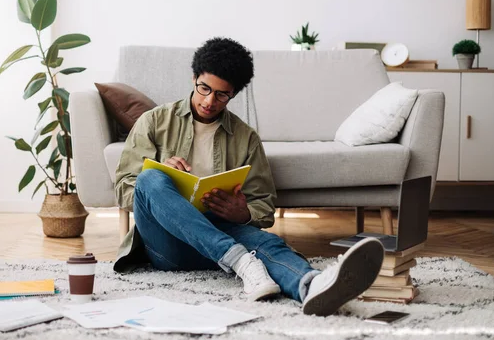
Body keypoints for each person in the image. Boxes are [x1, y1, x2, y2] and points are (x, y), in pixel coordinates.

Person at [113, 37, 384, 316]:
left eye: (221, 94)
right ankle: (240, 259)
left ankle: (312, 286)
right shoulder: (155, 121)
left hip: (219, 239)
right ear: (193, 78)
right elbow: (124, 190)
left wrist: (243, 213)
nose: (209, 101)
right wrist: (161, 172)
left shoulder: (246, 138)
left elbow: (264, 207)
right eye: (204, 88)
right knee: (149, 179)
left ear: (234, 94)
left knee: (268, 243)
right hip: (166, 246)